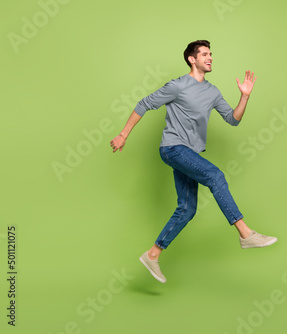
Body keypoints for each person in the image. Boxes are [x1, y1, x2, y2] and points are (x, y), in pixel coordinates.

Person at [110, 40, 277, 283]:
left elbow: (233, 119)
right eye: (205, 54)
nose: (210, 58)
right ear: (192, 59)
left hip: (190, 154)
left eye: (211, 54)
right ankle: (245, 233)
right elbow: (144, 104)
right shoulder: (178, 86)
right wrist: (123, 134)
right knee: (215, 176)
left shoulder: (212, 91)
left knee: (187, 210)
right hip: (173, 148)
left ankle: (152, 255)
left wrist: (244, 97)